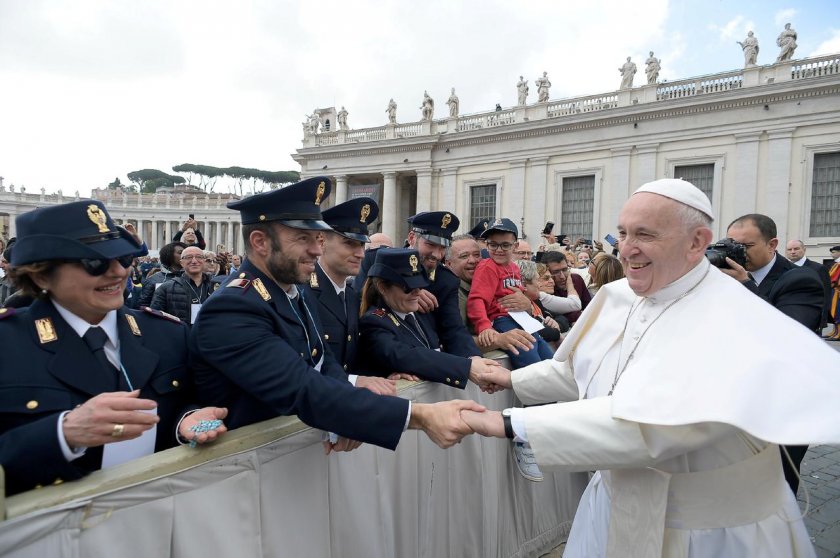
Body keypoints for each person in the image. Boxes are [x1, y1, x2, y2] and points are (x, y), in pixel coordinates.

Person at [461, 178, 840, 557]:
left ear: (697, 241)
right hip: (613, 507)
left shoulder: (733, 314)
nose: (627, 249)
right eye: (623, 233)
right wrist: (512, 377)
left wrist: (507, 424)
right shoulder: (616, 295)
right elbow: (581, 370)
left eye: (645, 234)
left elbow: (654, 425)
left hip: (710, 533)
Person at [191, 177, 486, 452]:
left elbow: (323, 363)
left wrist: (348, 414)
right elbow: (303, 387)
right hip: (251, 463)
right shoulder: (233, 306)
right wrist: (419, 415)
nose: (316, 251)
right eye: (303, 239)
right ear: (260, 242)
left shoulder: (294, 292)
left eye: (318, 239)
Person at [0, 200, 227, 496]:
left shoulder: (166, 333)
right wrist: (62, 435)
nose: (117, 273)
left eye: (123, 258)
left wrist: (185, 421)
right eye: (94, 263)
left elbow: (183, 402)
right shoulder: (8, 344)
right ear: (42, 274)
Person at [357, 248, 503, 388]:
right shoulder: (374, 322)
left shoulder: (422, 311)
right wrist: (467, 368)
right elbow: (406, 356)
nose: (417, 293)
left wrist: (476, 361)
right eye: (408, 287)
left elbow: (452, 335)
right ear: (383, 287)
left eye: (419, 285)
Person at [354, 211, 482, 361]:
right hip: (380, 354)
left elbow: (453, 329)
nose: (437, 254)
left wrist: (474, 359)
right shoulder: (375, 260)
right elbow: (358, 299)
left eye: (442, 248)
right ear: (411, 238)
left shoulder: (446, 280)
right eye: (430, 244)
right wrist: (406, 291)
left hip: (424, 357)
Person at [303, 197, 396, 395]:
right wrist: (353, 381)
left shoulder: (352, 296)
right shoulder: (302, 293)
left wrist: (386, 373)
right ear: (321, 242)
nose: (360, 254)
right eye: (350, 243)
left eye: (362, 245)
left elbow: (354, 358)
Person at [467, 218, 554, 369]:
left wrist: (527, 306)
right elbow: (477, 299)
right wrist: (484, 326)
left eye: (505, 245)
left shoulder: (514, 267)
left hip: (522, 319)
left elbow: (520, 297)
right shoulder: (487, 266)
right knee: (532, 364)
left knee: (550, 359)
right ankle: (536, 391)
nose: (498, 250)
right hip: (502, 320)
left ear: (515, 246)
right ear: (486, 244)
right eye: (493, 244)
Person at [447, 234, 535, 357]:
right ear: (448, 263)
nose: (472, 261)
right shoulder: (451, 293)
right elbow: (453, 342)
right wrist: (498, 340)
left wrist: (527, 306)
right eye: (464, 256)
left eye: (477, 255)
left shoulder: (493, 276)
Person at [150, 246, 215, 326]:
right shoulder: (165, 288)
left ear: (204, 261)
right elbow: (155, 320)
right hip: (178, 336)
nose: (194, 261)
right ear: (181, 263)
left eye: (199, 257)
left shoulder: (216, 287)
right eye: (188, 257)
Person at [786, 239, 832, 331]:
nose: (793, 252)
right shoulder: (784, 268)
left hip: (811, 321)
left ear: (804, 249)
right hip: (788, 319)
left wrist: (821, 321)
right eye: (789, 249)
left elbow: (826, 296)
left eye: (796, 249)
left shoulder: (819, 269)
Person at [542, 250, 591, 324]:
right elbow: (557, 316)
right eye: (556, 272)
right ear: (546, 271)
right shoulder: (546, 287)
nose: (562, 276)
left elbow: (589, 306)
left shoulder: (576, 279)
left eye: (565, 270)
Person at [137, 241, 186, 308]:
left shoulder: (192, 278)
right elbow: (143, 306)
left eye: (185, 253)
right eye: (180, 253)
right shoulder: (153, 280)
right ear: (169, 255)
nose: (184, 256)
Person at [829, 245, 840, 339]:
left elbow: (833, 278)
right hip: (835, 290)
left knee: (838, 312)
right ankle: (835, 331)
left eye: (834, 252)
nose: (832, 254)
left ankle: (838, 333)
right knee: (834, 312)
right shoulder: (836, 263)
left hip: (838, 291)